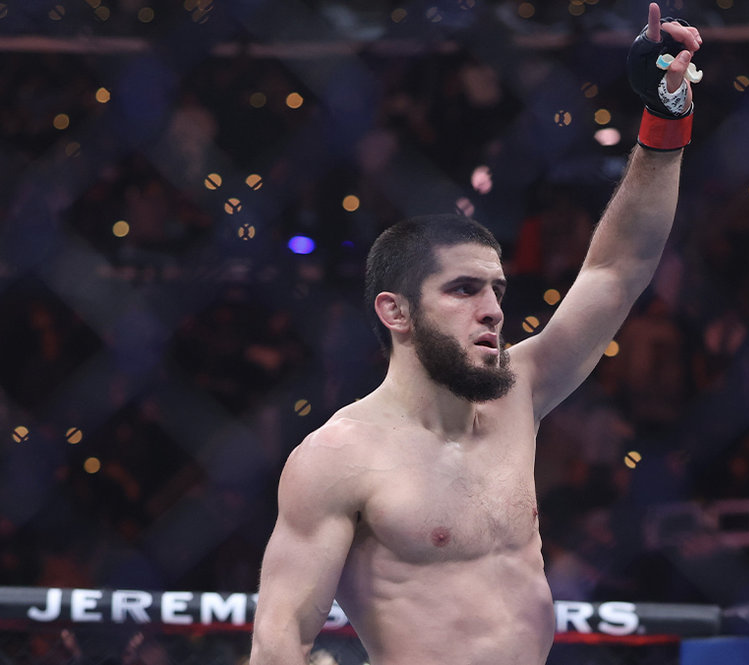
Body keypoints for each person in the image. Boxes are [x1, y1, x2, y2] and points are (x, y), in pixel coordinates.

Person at [249, 4, 702, 665]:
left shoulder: (519, 392)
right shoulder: (338, 458)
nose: (492, 310)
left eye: (496, 291)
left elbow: (617, 268)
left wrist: (665, 117)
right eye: (463, 289)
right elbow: (279, 640)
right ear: (396, 312)